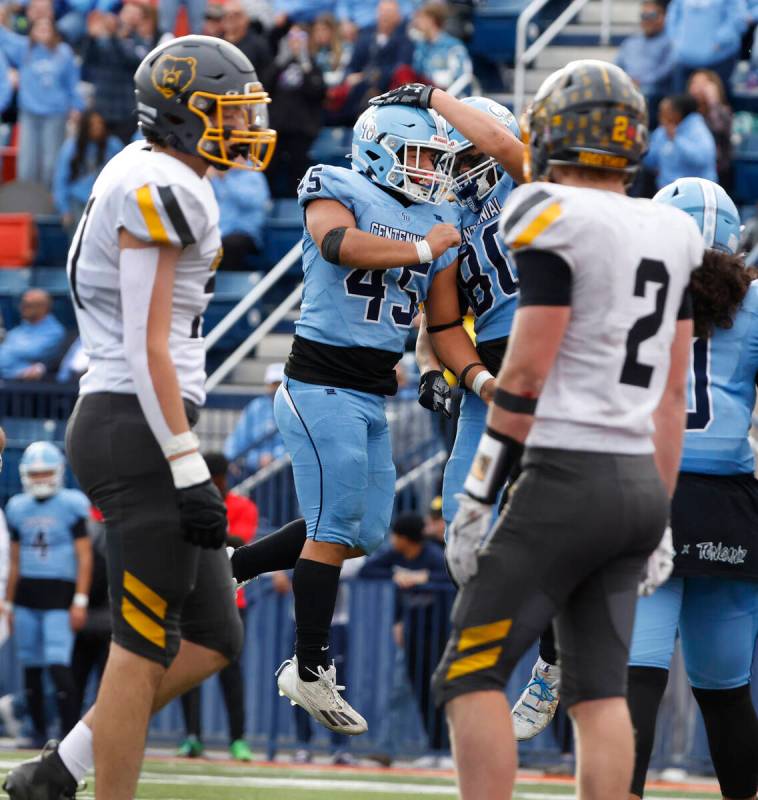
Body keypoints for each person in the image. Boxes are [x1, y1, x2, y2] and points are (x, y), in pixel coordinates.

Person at [2, 35, 277, 800]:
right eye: (227, 111)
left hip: (140, 419)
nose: (245, 123)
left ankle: (60, 771)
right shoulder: (163, 182)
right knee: (141, 644)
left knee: (214, 637)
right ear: (182, 115)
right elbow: (145, 339)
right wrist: (187, 462)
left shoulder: (154, 169)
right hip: (138, 425)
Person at [430, 60, 704, 800]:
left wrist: (481, 493)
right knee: (597, 692)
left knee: (468, 671)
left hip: (566, 477)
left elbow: (522, 378)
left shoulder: (551, 212)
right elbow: (672, 394)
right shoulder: (671, 227)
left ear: (552, 134)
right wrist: (664, 518)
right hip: (639, 486)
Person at [231, 100, 495, 735]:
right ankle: (310, 665)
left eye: (436, 159)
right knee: (334, 522)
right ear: (380, 149)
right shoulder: (335, 184)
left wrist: (470, 376)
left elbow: (440, 323)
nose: (432, 170)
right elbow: (337, 243)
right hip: (318, 384)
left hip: (371, 393)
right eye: (421, 157)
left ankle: (229, 568)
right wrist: (417, 247)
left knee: (365, 531)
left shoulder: (439, 216)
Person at [369, 84, 563, 741]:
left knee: (552, 522)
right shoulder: (447, 221)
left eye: (462, 151)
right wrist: (476, 382)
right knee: (462, 533)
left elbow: (512, 150)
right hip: (493, 383)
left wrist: (436, 98)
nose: (455, 165)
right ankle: (517, 644)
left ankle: (555, 661)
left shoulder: (528, 189)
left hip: (557, 364)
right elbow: (444, 323)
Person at [627, 178, 758, 800]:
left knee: (636, 682)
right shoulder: (755, 306)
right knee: (727, 694)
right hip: (730, 506)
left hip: (646, 489)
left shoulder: (630, 295)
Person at [4, 442, 92, 746]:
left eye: (45, 472)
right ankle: (37, 731)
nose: (40, 479)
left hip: (60, 592)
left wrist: (80, 599)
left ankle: (69, 734)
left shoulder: (71, 504)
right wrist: (8, 602)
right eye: (35, 473)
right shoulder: (17, 506)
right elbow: (14, 559)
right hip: (27, 591)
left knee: (58, 664)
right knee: (31, 666)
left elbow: (85, 555)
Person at [177, 453, 257, 761]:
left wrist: (205, 532)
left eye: (215, 479)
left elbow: (238, 545)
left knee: (231, 671)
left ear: (223, 478)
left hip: (230, 599)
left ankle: (238, 739)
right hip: (193, 596)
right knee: (187, 670)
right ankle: (192, 737)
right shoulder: (191, 504)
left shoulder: (243, 506)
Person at [360, 512, 449, 756]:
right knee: (418, 690)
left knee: (438, 692)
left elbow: (452, 579)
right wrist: (395, 576)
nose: (392, 539)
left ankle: (443, 749)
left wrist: (424, 577)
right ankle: (434, 747)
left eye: (396, 535)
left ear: (406, 538)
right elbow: (367, 570)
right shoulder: (398, 555)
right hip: (412, 633)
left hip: (440, 633)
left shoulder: (432, 555)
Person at [0, 16, 83, 187]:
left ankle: (48, 204)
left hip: (55, 114)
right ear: (32, 31)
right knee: (26, 162)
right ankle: (27, 203)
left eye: (47, 26)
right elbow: (4, 37)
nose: (43, 30)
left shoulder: (64, 52)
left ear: (54, 31)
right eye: (39, 27)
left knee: (50, 162)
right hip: (29, 113)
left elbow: (72, 83)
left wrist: (77, 106)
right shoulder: (24, 49)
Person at [264, 24, 326, 198]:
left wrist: (306, 65)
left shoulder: (312, 65)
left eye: (300, 39)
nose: (296, 44)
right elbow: (264, 87)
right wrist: (279, 62)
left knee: (298, 171)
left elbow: (318, 92)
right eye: (292, 39)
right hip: (278, 128)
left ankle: (298, 206)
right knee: (270, 167)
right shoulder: (279, 64)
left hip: (301, 130)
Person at [80, 4, 157, 144]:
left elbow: (133, 61)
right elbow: (88, 63)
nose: (130, 17)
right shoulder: (103, 39)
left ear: (140, 19)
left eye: (135, 14)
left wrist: (114, 36)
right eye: (128, 12)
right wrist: (91, 38)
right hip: (102, 108)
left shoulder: (142, 42)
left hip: (125, 111)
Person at [52, 110, 123, 236]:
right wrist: (64, 210)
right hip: (78, 202)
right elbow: (60, 180)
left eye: (100, 124)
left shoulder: (113, 145)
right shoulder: (71, 147)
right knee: (79, 242)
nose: (98, 127)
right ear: (85, 127)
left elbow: (125, 173)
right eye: (93, 125)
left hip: (106, 202)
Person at [666, 0, 746, 92]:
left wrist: (722, 41)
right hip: (684, 59)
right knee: (682, 102)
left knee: (717, 100)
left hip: (719, 59)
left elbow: (738, 19)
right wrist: (677, 41)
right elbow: (672, 17)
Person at [615, 0, 674, 124]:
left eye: (650, 16)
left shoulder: (670, 42)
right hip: (627, 88)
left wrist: (640, 82)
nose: (646, 20)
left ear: (663, 17)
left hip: (653, 92)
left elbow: (666, 70)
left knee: (646, 93)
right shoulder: (630, 42)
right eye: (643, 16)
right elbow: (616, 68)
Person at [643, 94, 717, 190]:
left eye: (665, 111)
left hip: (697, 193)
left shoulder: (698, 130)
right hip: (666, 193)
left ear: (678, 112)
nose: (660, 115)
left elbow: (702, 160)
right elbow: (651, 161)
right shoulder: (661, 131)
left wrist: (676, 139)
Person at [224, 362, 286, 473]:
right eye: (273, 384)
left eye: (280, 384)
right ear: (267, 386)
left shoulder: (294, 409)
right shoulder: (255, 407)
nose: (276, 388)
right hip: (255, 470)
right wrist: (232, 458)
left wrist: (274, 457)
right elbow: (238, 438)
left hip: (284, 472)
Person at [209, 165, 270, 268]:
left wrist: (225, 179)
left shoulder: (254, 174)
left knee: (227, 246)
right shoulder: (215, 176)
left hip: (245, 233)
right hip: (218, 232)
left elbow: (252, 201)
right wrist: (204, 180)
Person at [0, 289, 65, 381]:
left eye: (28, 305)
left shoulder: (54, 331)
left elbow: (33, 351)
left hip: (30, 387)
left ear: (43, 307)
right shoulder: (18, 330)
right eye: (21, 303)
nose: (21, 308)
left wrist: (6, 346)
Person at [687, 69, 733, 190]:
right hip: (688, 169)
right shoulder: (685, 113)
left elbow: (719, 128)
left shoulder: (723, 111)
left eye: (703, 84)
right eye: (694, 83)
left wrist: (713, 100)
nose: (697, 88)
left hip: (717, 175)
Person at [410, 3, 472, 93]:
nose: (417, 22)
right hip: (424, 99)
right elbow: (416, 73)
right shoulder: (421, 45)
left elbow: (463, 77)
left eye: (422, 18)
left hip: (449, 98)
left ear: (431, 20)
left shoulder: (453, 46)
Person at [222, 0, 272, 76]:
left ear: (246, 18)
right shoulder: (216, 42)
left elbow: (267, 76)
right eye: (226, 14)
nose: (230, 18)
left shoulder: (259, 45)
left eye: (236, 15)